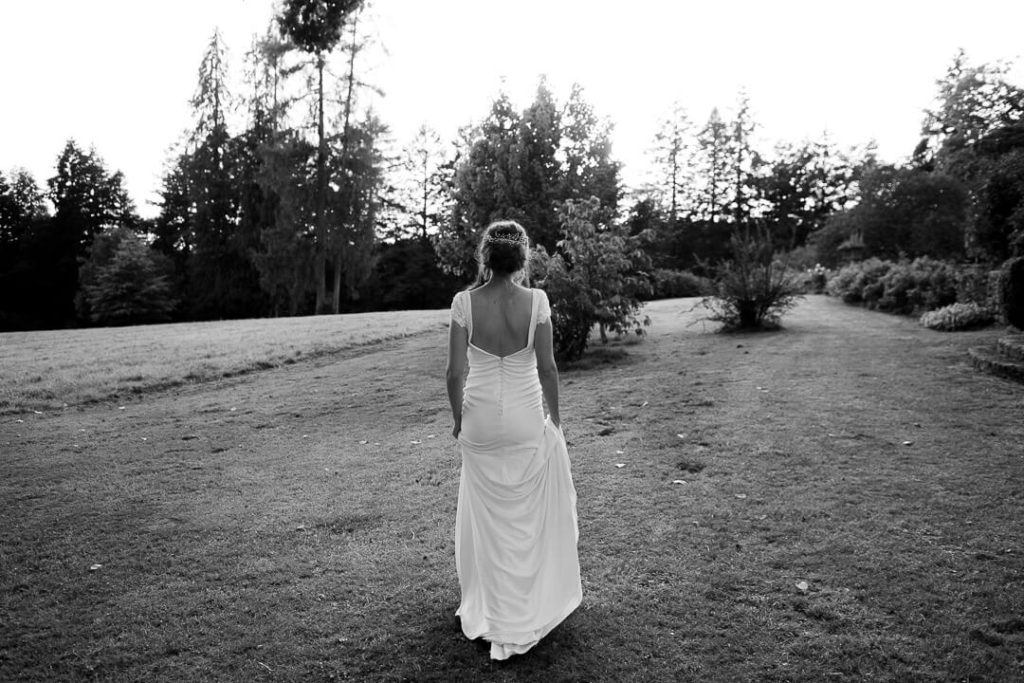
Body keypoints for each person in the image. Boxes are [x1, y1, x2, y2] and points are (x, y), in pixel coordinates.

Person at [445, 220, 582, 661]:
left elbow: (454, 373)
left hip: (480, 419)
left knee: (485, 516)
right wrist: (554, 419)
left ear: (485, 257)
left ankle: (488, 602)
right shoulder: (537, 301)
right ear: (522, 259)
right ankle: (524, 602)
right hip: (525, 418)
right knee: (523, 513)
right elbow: (547, 369)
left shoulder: (464, 303)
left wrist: (456, 420)